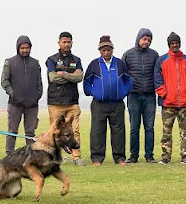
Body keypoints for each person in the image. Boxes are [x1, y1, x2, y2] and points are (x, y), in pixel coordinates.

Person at [83, 35, 132, 165]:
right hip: (99, 104)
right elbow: (86, 83)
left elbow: (128, 81)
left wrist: (124, 92)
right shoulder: (94, 64)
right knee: (97, 131)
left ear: (112, 49)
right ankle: (97, 158)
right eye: (103, 50)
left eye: (109, 50)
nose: (106, 52)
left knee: (118, 131)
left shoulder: (120, 64)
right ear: (99, 51)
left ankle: (120, 158)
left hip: (117, 103)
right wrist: (94, 92)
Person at [154, 32, 186, 164]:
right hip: (168, 104)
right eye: (172, 43)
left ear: (180, 43)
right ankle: (166, 156)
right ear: (169, 44)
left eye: (177, 43)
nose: (175, 45)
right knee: (166, 132)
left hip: (184, 103)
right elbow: (157, 80)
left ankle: (185, 156)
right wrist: (165, 94)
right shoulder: (162, 60)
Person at [46, 32, 85, 166]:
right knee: (54, 132)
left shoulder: (77, 60)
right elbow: (53, 78)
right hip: (55, 102)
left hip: (72, 101)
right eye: (64, 42)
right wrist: (71, 76)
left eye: (69, 42)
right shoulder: (52, 60)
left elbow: (79, 77)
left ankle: (76, 157)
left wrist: (63, 74)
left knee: (74, 131)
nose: (66, 44)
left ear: (72, 43)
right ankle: (53, 157)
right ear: (59, 43)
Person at [122, 28, 159, 164]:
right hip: (134, 96)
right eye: (144, 39)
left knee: (149, 127)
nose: (146, 42)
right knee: (134, 127)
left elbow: (158, 74)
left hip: (149, 95)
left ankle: (149, 155)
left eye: (149, 40)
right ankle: (133, 155)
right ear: (139, 38)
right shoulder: (128, 54)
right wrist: (127, 90)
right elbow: (123, 76)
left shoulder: (154, 55)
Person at [1, 35, 42, 154]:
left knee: (30, 132)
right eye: (22, 48)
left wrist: (37, 95)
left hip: (32, 104)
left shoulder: (35, 63)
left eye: (27, 47)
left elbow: (39, 82)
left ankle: (32, 155)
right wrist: (13, 94)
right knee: (12, 131)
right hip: (15, 103)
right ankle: (9, 155)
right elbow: (5, 81)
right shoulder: (10, 62)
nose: (25, 50)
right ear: (18, 48)